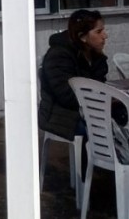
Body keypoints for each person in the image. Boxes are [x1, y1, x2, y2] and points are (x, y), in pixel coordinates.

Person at [38, 9, 108, 141]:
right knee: (101, 130)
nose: (105, 36)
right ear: (82, 37)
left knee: (121, 120)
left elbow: (100, 86)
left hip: (89, 110)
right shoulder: (58, 56)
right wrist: (99, 102)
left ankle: (112, 160)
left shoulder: (95, 55)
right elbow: (67, 96)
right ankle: (93, 161)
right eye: (99, 32)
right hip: (61, 115)